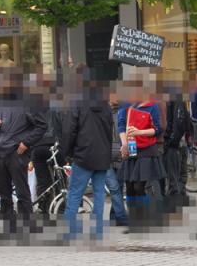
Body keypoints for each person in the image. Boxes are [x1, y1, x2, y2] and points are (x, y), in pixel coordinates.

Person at [0, 81, 48, 230]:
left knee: (22, 190)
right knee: (4, 192)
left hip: (17, 152)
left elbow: (42, 126)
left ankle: (28, 225)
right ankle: (9, 226)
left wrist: (26, 143)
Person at [61, 84, 113, 239]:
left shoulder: (77, 104)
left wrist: (67, 152)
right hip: (102, 155)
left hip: (83, 155)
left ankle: (70, 231)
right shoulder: (106, 106)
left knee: (75, 193)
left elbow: (69, 130)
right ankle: (96, 232)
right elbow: (110, 130)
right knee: (99, 193)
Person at [118, 94, 165, 227]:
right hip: (130, 148)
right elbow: (121, 125)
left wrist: (140, 132)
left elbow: (158, 128)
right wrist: (124, 144)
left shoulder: (152, 105)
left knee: (139, 186)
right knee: (130, 186)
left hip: (146, 150)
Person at [107, 92, 128, 226]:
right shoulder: (103, 113)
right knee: (114, 187)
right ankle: (120, 217)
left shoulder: (124, 112)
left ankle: (114, 216)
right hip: (106, 156)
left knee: (118, 187)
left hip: (121, 155)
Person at [163, 93, 191, 196]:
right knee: (180, 178)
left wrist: (171, 141)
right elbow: (185, 120)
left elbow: (178, 121)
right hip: (180, 142)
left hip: (174, 144)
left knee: (174, 180)